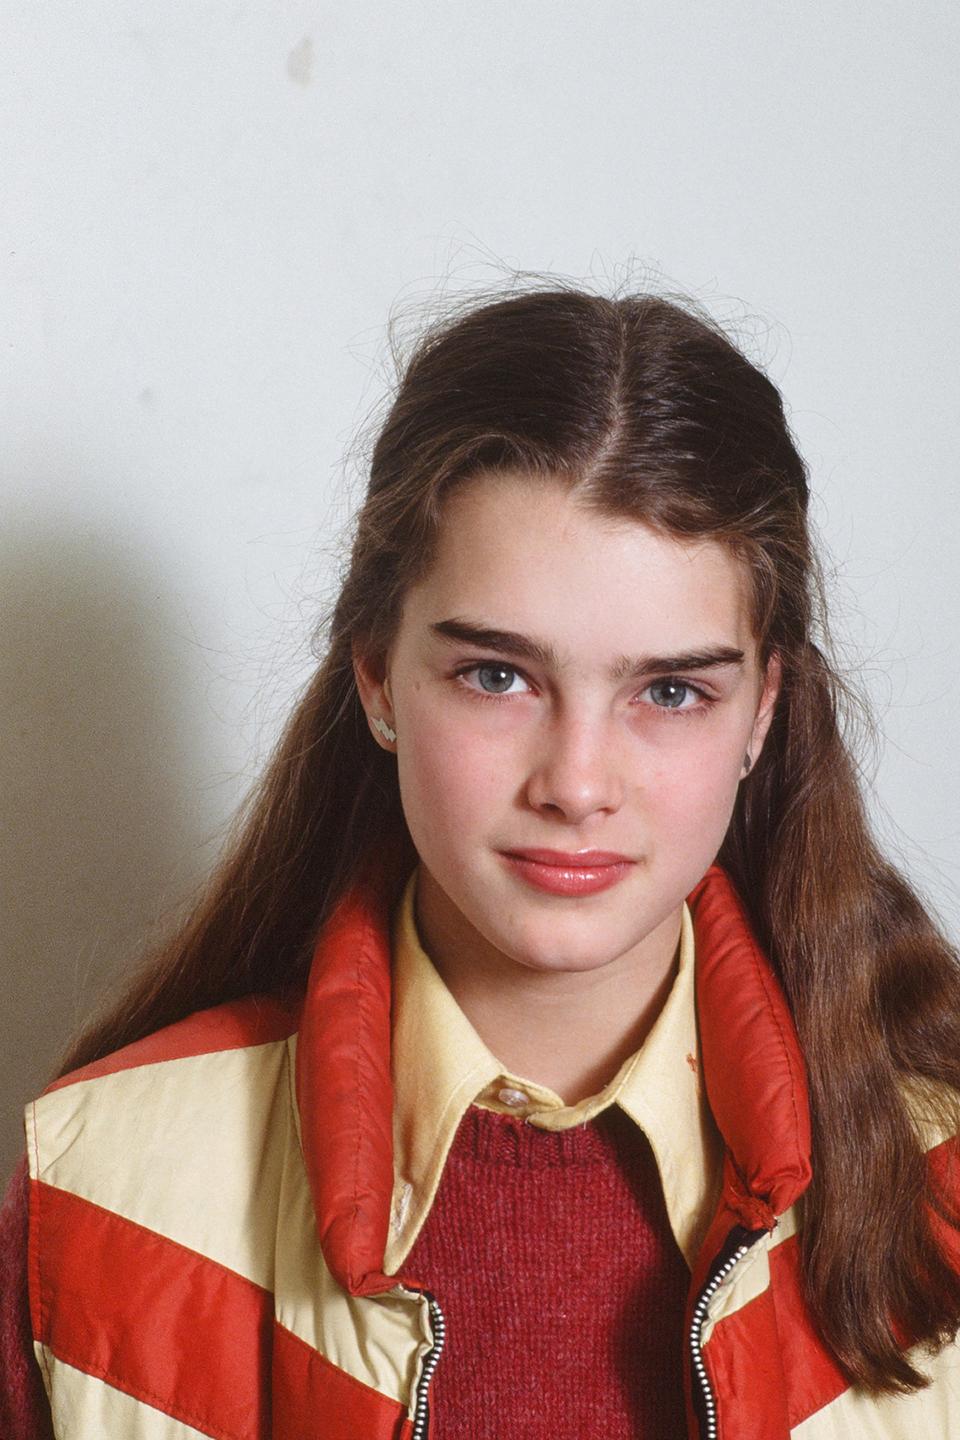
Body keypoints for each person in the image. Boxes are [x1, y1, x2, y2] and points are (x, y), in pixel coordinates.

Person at [2, 284, 960, 1440]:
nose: (577, 780)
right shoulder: (104, 1203)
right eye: (498, 675)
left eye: (670, 691)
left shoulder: (940, 1185)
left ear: (763, 709)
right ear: (375, 673)